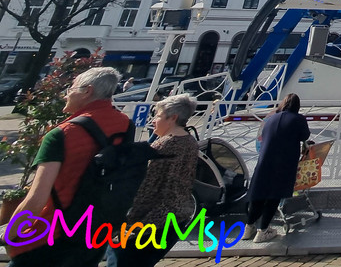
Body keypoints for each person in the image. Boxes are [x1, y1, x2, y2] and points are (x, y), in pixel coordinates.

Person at [8, 67, 131, 267]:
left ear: (87, 91)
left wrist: (11, 234)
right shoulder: (126, 124)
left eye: (70, 88)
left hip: (52, 234)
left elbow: (37, 199)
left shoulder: (62, 133)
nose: (66, 95)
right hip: (96, 232)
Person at [113, 94, 199, 267]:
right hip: (177, 215)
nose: (153, 121)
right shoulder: (190, 141)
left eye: (158, 116)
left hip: (152, 220)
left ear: (173, 117)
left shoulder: (163, 147)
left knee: (118, 257)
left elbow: (147, 187)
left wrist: (124, 221)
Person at [245, 93, 311, 243]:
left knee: (259, 195)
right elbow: (304, 135)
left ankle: (248, 227)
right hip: (283, 162)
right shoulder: (298, 119)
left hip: (264, 161)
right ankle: (263, 230)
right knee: (274, 196)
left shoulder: (271, 118)